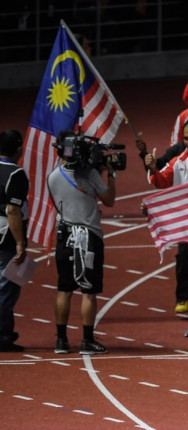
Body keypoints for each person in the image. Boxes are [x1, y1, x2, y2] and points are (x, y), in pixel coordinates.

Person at [48, 131, 117, 355]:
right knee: (88, 291)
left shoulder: (53, 176)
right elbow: (109, 200)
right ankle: (87, 340)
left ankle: (61, 340)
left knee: (64, 290)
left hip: (64, 236)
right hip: (88, 236)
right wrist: (110, 174)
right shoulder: (90, 175)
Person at [0, 130, 28, 353]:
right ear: (18, 149)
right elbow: (13, 210)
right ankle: (3, 335)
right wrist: (20, 242)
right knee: (7, 287)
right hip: (5, 237)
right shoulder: (16, 174)